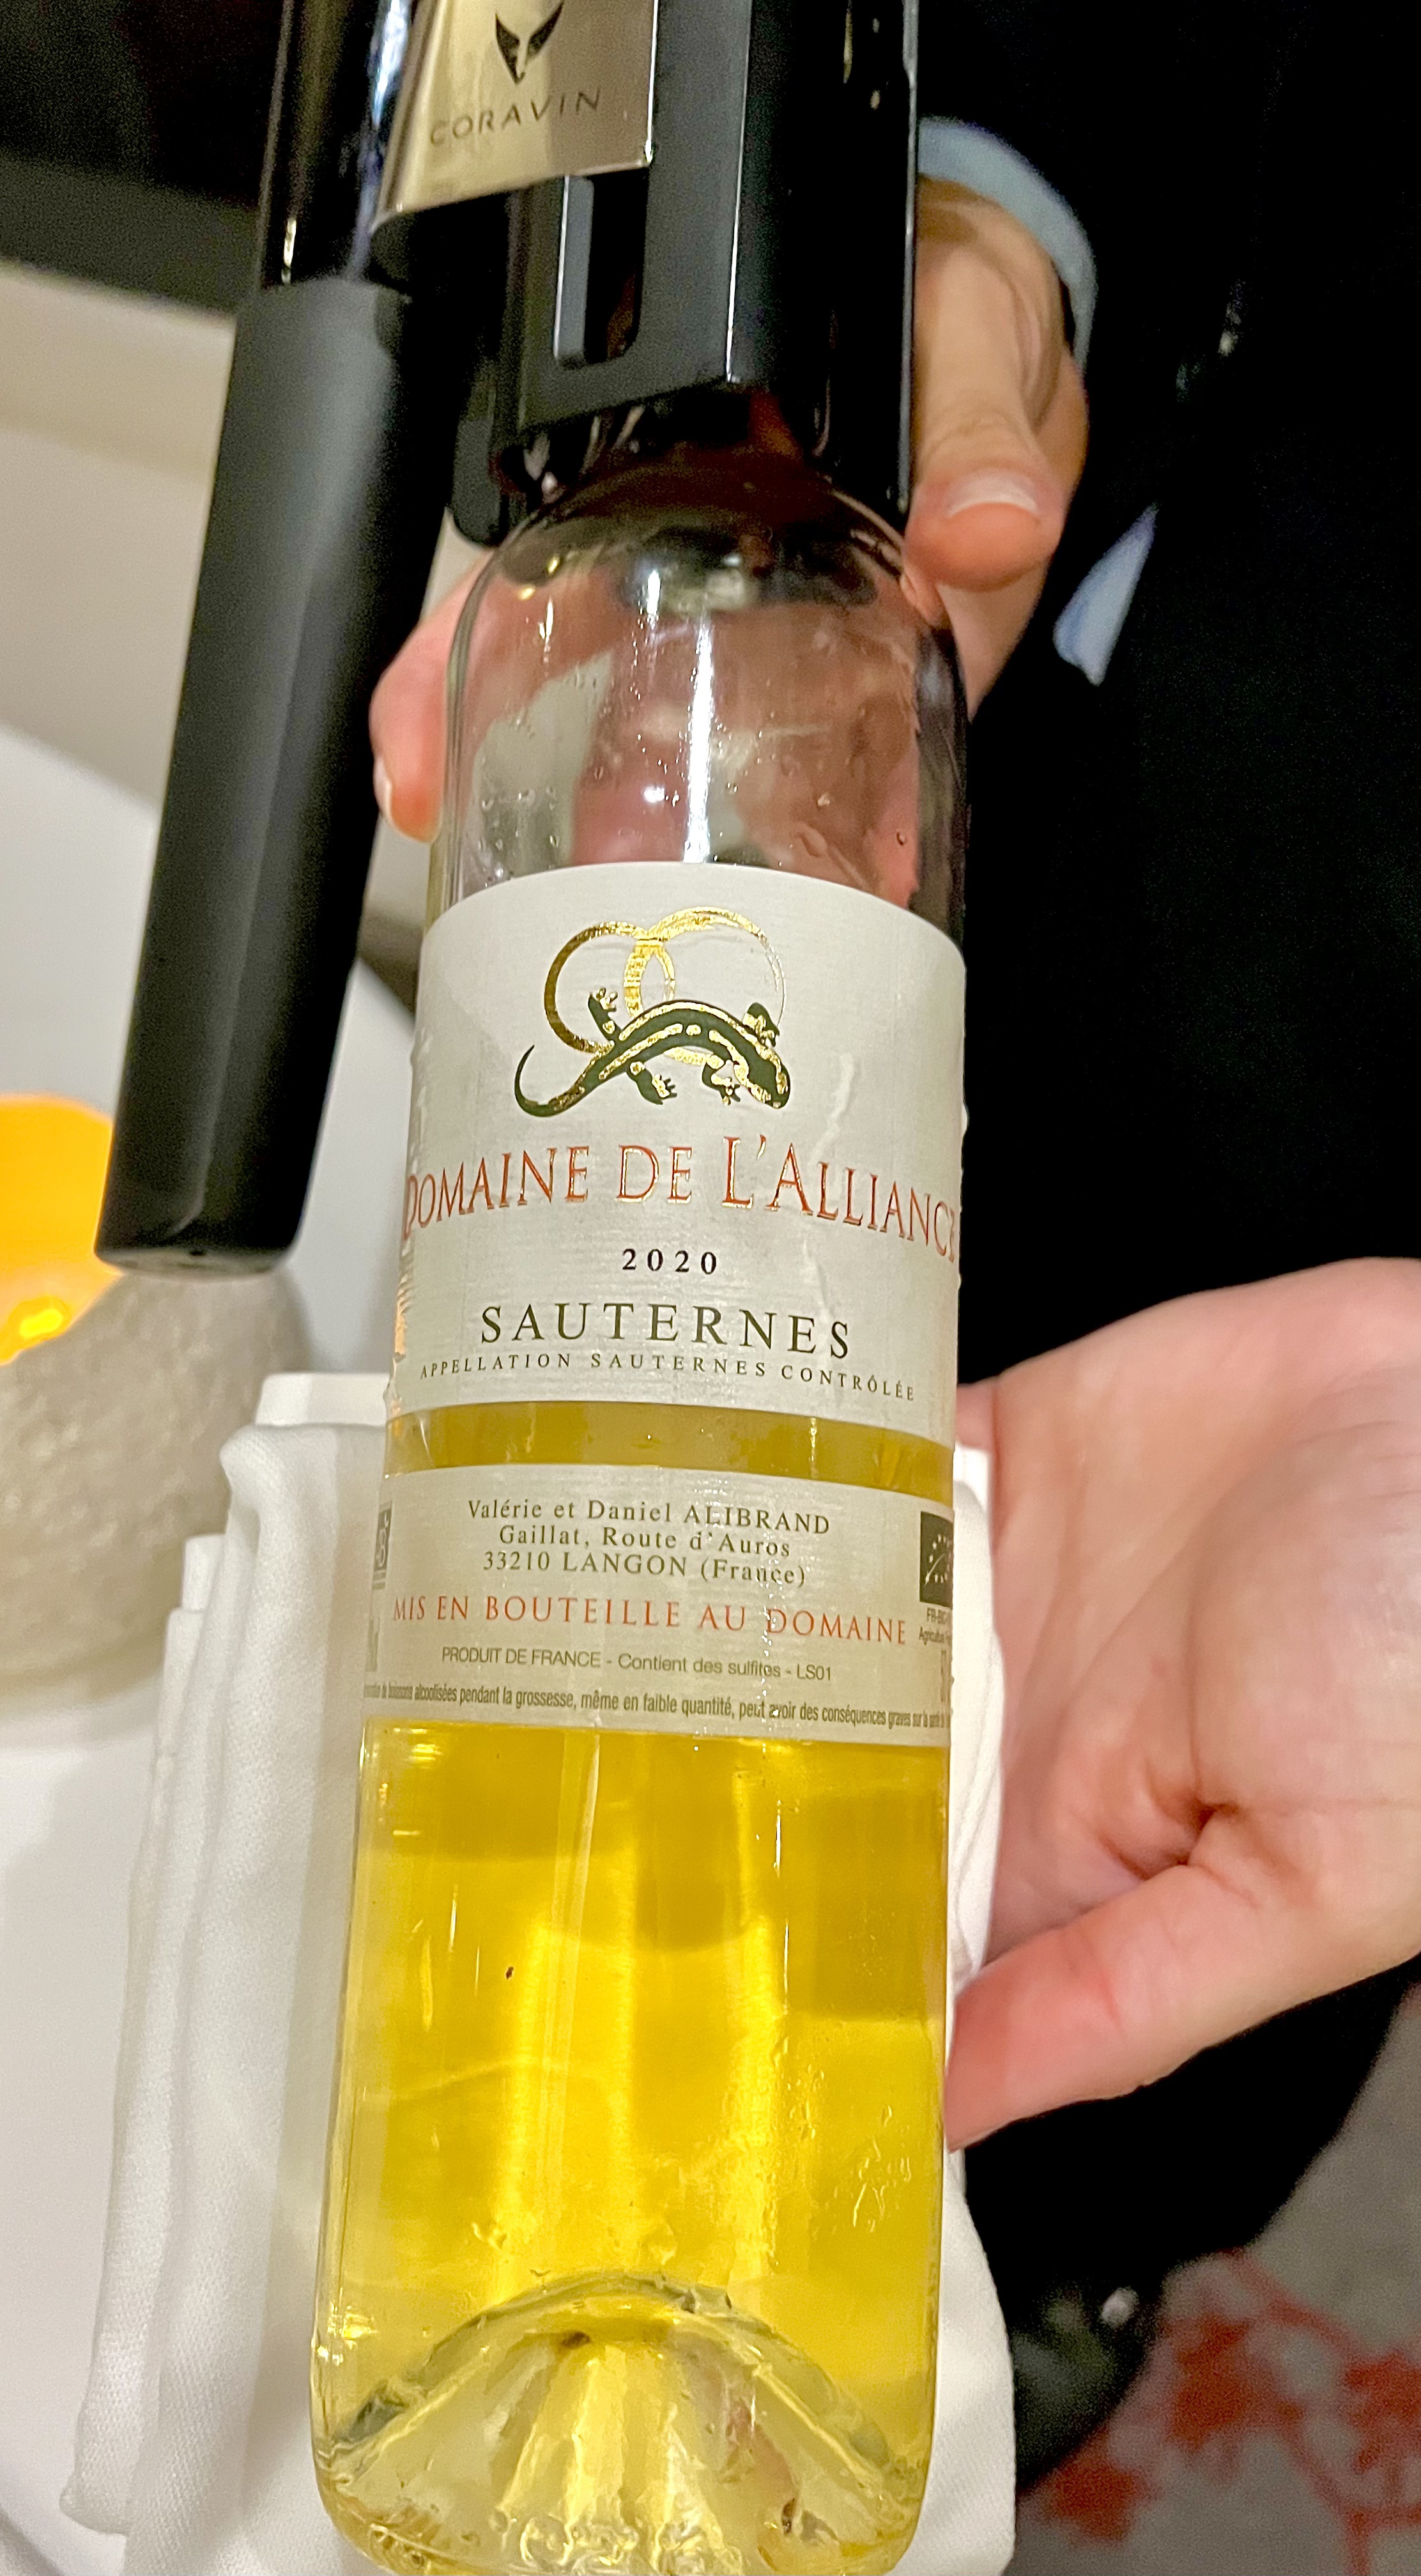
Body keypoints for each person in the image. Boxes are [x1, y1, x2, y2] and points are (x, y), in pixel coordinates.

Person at [365, 1, 1421, 2478]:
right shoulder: (633, 579)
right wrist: (982, 224)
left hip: (1368, 992)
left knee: (1214, 1789)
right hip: (986, 747)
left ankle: (1058, 2259)